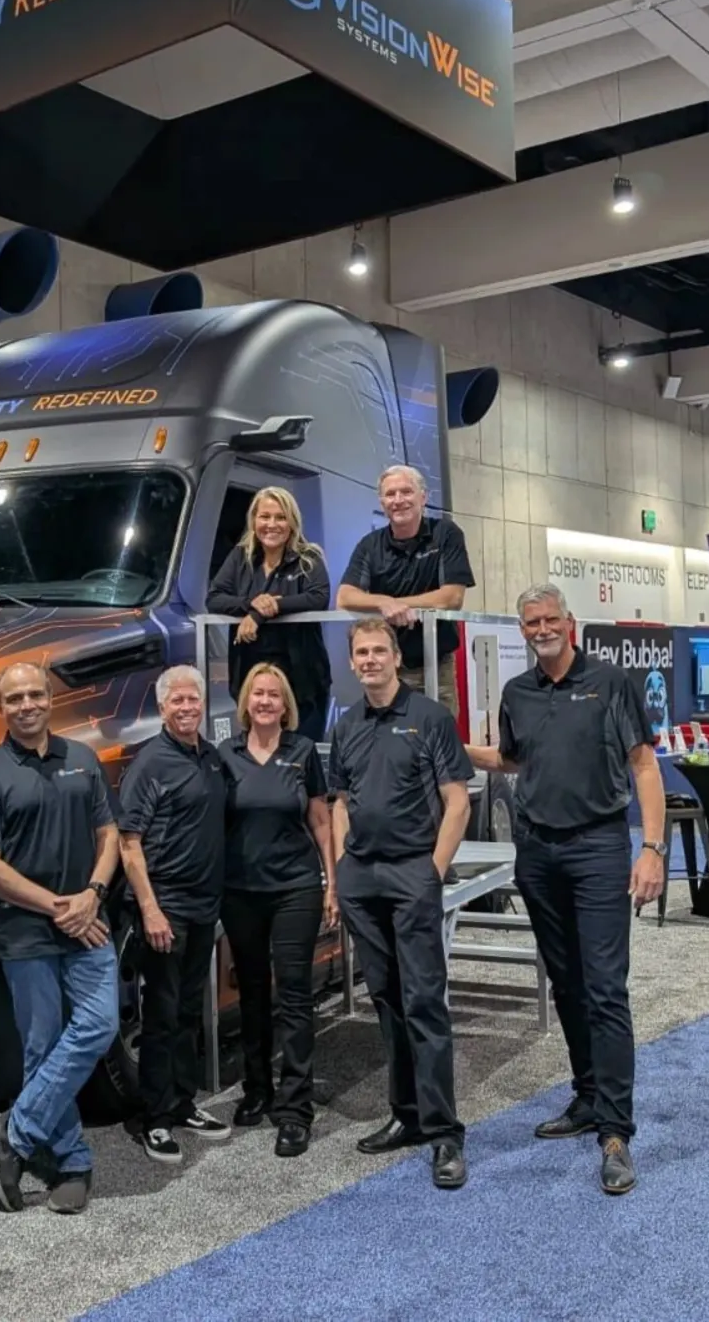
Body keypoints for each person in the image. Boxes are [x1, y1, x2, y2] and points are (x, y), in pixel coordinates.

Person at [466, 583, 666, 1196]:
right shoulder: (516, 693)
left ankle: (615, 1131)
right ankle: (586, 1097)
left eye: (551, 618)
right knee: (569, 985)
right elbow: (516, 761)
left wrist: (652, 849)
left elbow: (644, 766)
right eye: (531, 622)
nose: (541, 628)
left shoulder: (610, 682)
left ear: (570, 623)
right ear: (523, 630)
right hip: (539, 855)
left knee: (606, 989)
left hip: (600, 849)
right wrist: (451, 748)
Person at [0, 662, 121, 1216]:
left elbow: (109, 835)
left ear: (51, 699)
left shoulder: (82, 759)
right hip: (26, 932)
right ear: (0, 707)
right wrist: (59, 907)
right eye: (14, 698)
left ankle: (15, 1134)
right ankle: (72, 1163)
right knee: (43, 1047)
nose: (26, 704)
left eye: (35, 694)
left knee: (102, 1024)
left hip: (89, 921)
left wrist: (93, 894)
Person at [329, 616, 473, 1189]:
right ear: (353, 661)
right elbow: (340, 801)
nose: (369, 660)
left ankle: (444, 1133)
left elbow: (456, 802)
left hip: (414, 873)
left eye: (378, 651)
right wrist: (341, 868)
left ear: (395, 656)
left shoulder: (430, 717)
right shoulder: (347, 725)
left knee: (425, 1005)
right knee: (386, 1001)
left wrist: (432, 875)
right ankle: (406, 1115)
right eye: (360, 652)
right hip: (362, 880)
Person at [219, 663, 338, 1157]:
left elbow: (320, 818)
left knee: (293, 995)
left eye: (274, 695)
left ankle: (294, 1109)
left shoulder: (302, 751)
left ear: (286, 706)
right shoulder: (224, 755)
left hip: (295, 887)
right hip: (240, 890)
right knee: (250, 993)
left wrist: (331, 881)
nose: (265, 701)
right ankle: (256, 1091)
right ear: (246, 703)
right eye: (257, 694)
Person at [118, 665, 231, 1162]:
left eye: (193, 700)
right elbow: (129, 843)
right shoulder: (151, 762)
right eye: (177, 701)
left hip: (205, 907)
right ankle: (154, 1118)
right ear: (162, 708)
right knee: (160, 1015)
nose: (186, 708)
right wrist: (150, 910)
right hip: (165, 909)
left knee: (188, 1010)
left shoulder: (210, 757)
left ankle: (182, 1102)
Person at [335, 465, 474, 714]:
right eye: (390, 494)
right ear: (382, 501)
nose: (398, 500)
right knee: (387, 740)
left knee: (438, 739)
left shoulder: (445, 534)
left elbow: (452, 597)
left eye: (406, 492)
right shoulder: (369, 545)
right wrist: (383, 602)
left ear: (423, 497)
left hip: (434, 663)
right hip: (386, 666)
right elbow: (345, 597)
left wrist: (400, 604)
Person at [207, 486, 333, 741]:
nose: (272, 524)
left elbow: (318, 597)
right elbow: (214, 598)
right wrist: (252, 605)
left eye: (280, 517)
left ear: (292, 522)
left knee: (302, 760)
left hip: (303, 681)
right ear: (253, 520)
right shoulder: (240, 557)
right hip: (251, 679)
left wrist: (264, 613)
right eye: (265, 516)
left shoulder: (309, 557)